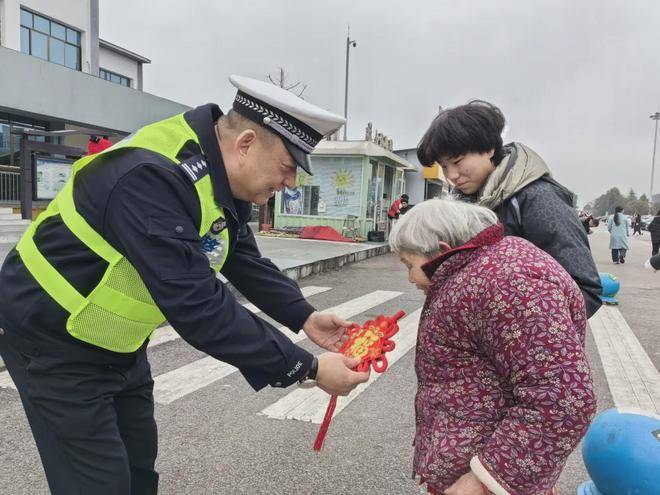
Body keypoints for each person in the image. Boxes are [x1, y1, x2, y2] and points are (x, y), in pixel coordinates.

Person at [0, 75, 370, 495]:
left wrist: (304, 316)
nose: (290, 184)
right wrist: (309, 368)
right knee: (100, 484)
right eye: (287, 168)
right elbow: (198, 306)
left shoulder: (215, 175)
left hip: (115, 341)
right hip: (52, 341)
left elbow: (240, 255)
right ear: (246, 143)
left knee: (139, 473)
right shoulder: (150, 178)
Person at [389, 198, 596, 495]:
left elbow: (564, 397)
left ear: (443, 250)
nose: (410, 278)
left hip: (484, 479)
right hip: (475, 468)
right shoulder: (484, 270)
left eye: (410, 265)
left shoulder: (509, 282)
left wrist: (485, 478)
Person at [416, 100, 602, 318]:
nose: (451, 175)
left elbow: (585, 290)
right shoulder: (461, 203)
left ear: (489, 149)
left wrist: (517, 325)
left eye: (457, 162)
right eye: (444, 167)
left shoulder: (538, 198)